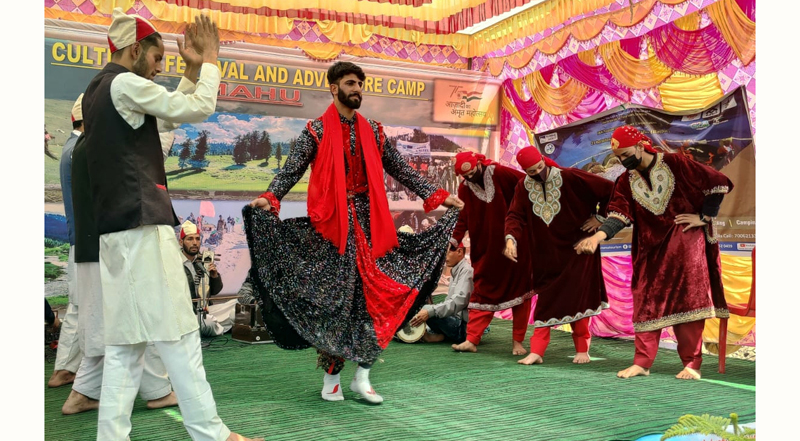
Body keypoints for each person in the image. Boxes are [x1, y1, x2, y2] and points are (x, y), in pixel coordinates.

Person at [79, 9, 260, 440]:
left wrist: (192, 72)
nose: (160, 66)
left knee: (125, 348)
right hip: (144, 228)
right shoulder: (124, 84)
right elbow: (198, 107)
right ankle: (213, 435)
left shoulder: (98, 91)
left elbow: (166, 115)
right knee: (180, 335)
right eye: (157, 57)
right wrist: (211, 61)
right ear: (134, 50)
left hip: (116, 234)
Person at [246, 61, 463, 404]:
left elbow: (400, 169)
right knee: (336, 306)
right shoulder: (316, 131)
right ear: (334, 88)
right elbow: (291, 170)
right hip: (331, 230)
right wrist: (271, 197)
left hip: (371, 228)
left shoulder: (374, 131)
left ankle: (362, 375)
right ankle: (331, 378)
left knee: (376, 301)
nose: (358, 89)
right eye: (350, 83)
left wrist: (436, 195)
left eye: (361, 84)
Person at [575, 125, 733, 381]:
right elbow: (619, 215)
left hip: (685, 244)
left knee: (688, 301)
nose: (622, 161)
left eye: (626, 155)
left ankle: (691, 363)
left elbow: (718, 182)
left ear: (640, 147)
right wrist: (597, 237)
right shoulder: (625, 181)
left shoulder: (675, 163)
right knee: (645, 302)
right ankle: (642, 363)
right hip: (648, 250)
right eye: (618, 157)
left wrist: (704, 217)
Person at [503, 146, 612, 365]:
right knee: (545, 302)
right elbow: (515, 215)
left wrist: (600, 218)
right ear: (525, 172)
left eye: (540, 167)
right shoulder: (523, 187)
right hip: (546, 256)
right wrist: (510, 239)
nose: (538, 173)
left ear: (544, 161)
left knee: (578, 300)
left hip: (578, 250)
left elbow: (610, 189)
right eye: (532, 172)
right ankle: (537, 351)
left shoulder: (571, 177)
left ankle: (582, 350)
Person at [448, 151, 533, 355]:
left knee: (520, 292)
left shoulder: (500, 173)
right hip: (485, 249)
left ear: (479, 163)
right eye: (465, 176)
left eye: (472, 172)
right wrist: (453, 241)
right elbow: (462, 218)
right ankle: (471, 339)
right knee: (482, 291)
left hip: (514, 245)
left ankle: (518, 343)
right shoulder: (464, 188)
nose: (470, 178)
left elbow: (528, 186)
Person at [48, 95, 85, 389]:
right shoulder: (79, 151)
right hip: (88, 241)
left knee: (79, 307)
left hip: (82, 240)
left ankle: (66, 369)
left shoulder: (71, 148)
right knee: (80, 307)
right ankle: (66, 370)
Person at [179, 221, 237, 337]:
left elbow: (215, 291)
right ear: (181, 242)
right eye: (190, 239)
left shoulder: (202, 260)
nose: (195, 243)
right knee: (208, 322)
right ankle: (217, 326)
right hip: (187, 315)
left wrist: (214, 276)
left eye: (197, 239)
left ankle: (212, 327)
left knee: (237, 306)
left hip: (206, 310)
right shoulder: (174, 263)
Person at [409, 242, 472, 344]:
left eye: (447, 253)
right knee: (421, 307)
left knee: (425, 310)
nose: (444, 257)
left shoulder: (467, 271)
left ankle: (439, 335)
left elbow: (458, 302)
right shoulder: (457, 270)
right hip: (455, 321)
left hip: (463, 328)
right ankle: (440, 336)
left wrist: (430, 311)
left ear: (459, 252)